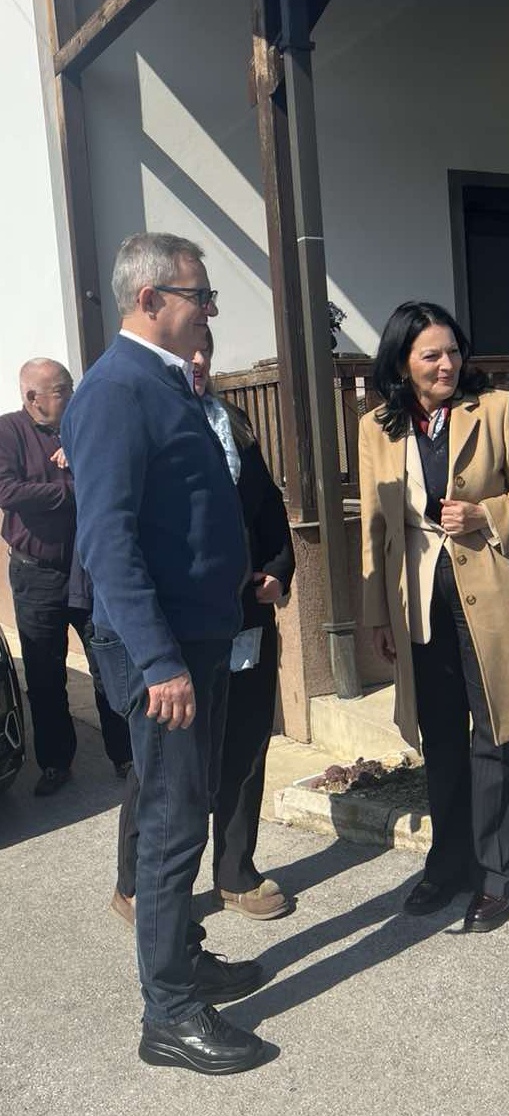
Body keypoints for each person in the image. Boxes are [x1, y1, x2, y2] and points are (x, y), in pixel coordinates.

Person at [61, 233, 271, 1074]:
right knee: (172, 822)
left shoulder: (166, 381)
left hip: (202, 637)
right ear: (150, 299)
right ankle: (170, 1015)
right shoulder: (116, 390)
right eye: (200, 294)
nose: (210, 308)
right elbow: (107, 541)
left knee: (189, 802)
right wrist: (159, 662)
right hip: (167, 650)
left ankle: (182, 960)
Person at [358, 300, 509, 933]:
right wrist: (377, 614)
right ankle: (448, 862)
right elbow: (374, 526)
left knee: (498, 730)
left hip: (492, 593)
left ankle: (500, 874)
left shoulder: (496, 408)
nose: (446, 364)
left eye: (453, 351)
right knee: (441, 733)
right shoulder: (377, 427)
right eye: (432, 355)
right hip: (419, 598)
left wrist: (486, 514)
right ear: (403, 362)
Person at [113, 328, 295, 924]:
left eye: (205, 352)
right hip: (181, 624)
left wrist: (278, 572)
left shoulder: (233, 424)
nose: (196, 361)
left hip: (245, 614)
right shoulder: (148, 420)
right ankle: (136, 882)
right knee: (164, 760)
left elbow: (269, 510)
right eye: (186, 352)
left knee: (245, 739)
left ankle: (235, 872)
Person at [0, 358, 130, 794]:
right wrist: (71, 489)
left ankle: (126, 755)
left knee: (108, 664)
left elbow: (114, 470)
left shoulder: (82, 426)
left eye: (71, 387)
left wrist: (77, 461)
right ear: (32, 398)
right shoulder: (8, 432)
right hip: (36, 575)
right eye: (61, 390)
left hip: (88, 570)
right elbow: (8, 491)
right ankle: (56, 763)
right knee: (44, 674)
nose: (71, 396)